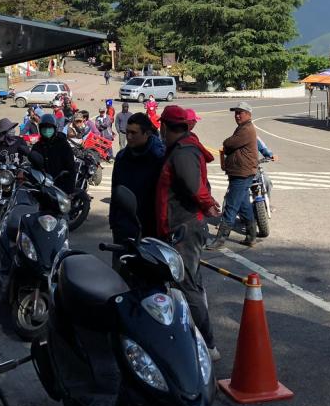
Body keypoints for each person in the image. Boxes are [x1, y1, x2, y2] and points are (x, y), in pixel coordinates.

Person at [154, 105, 221, 359]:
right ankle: (195, 335)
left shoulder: (182, 152)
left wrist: (209, 204)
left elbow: (194, 187)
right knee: (190, 282)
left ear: (165, 127)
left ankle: (207, 343)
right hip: (182, 225)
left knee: (187, 285)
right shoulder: (182, 148)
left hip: (185, 227)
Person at [109, 112, 165, 257]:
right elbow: (115, 191)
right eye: (127, 132)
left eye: (134, 133)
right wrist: (114, 221)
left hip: (149, 229)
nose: (129, 137)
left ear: (146, 133)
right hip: (123, 228)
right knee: (120, 273)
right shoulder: (122, 157)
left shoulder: (159, 157)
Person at [211, 101, 259, 247]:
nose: (237, 115)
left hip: (242, 174)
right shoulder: (242, 128)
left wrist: (226, 142)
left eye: (240, 112)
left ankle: (220, 240)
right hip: (241, 172)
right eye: (236, 113)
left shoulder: (246, 129)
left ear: (248, 115)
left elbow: (230, 143)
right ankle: (251, 236)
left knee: (231, 206)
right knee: (244, 206)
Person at [33, 113, 76, 194]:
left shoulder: (63, 145)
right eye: (44, 127)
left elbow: (71, 168)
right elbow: (32, 166)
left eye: (49, 127)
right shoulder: (37, 146)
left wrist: (70, 191)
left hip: (60, 188)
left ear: (54, 128)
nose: (46, 130)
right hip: (41, 188)